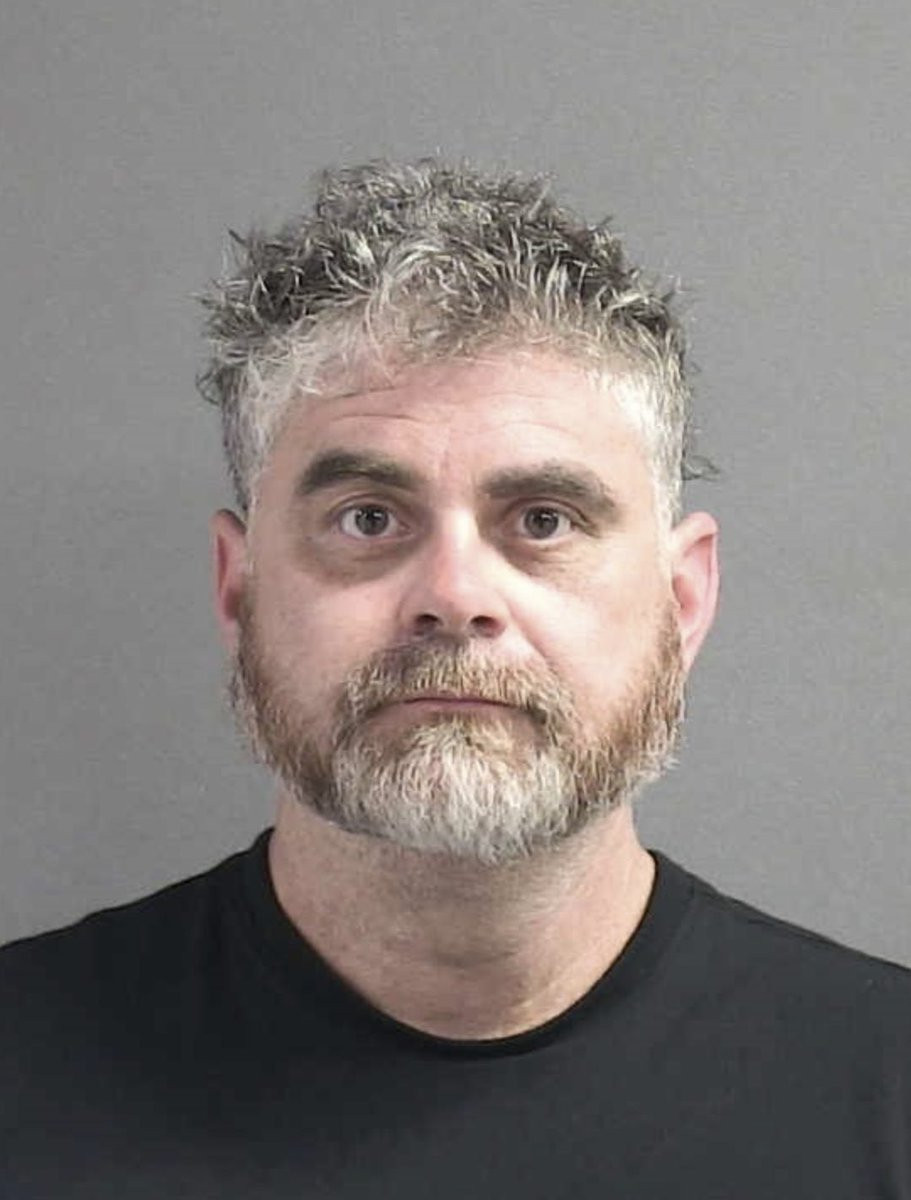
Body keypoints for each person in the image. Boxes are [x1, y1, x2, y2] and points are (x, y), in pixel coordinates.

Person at [1, 159, 908, 1199]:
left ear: (682, 599)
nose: (453, 595)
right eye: (367, 519)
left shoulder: (885, 1093)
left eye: (543, 521)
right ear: (238, 588)